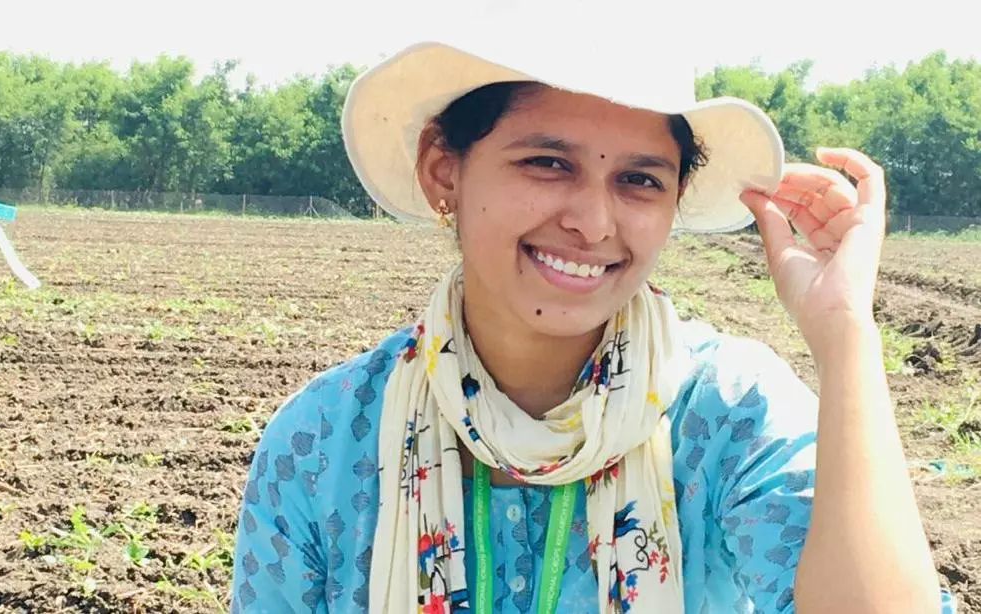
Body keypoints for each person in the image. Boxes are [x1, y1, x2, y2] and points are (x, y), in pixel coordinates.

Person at [230, 32, 956, 614]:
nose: (592, 222)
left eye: (639, 179)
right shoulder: (325, 441)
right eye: (546, 162)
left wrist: (845, 335)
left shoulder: (728, 417)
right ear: (443, 170)